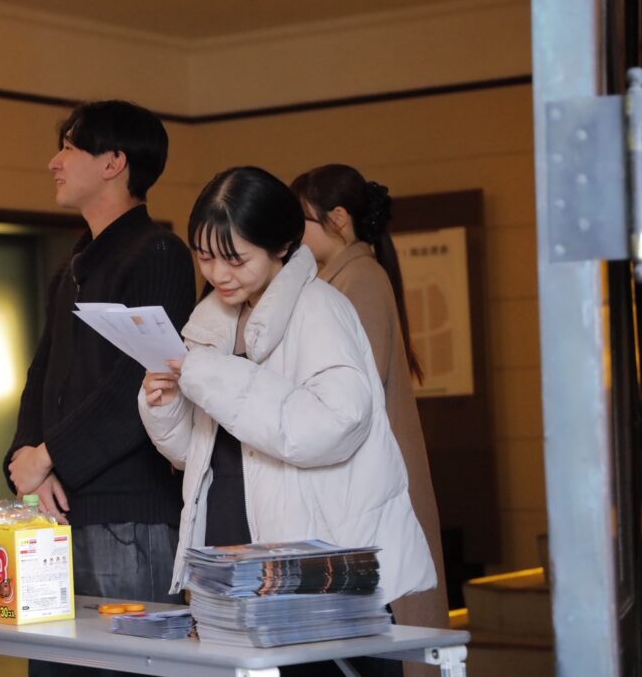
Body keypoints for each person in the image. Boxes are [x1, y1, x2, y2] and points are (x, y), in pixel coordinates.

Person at [140, 166, 435, 677]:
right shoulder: (212, 322)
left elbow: (335, 426)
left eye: (235, 259)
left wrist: (214, 379)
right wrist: (164, 405)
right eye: (205, 257)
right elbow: (198, 454)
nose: (219, 274)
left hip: (313, 571)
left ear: (281, 246)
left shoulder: (319, 309)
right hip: (234, 556)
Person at [4, 100, 196, 676]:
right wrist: (25, 456)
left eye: (69, 147)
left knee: (123, 668)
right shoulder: (75, 265)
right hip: (61, 510)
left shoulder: (158, 251)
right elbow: (42, 374)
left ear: (114, 162)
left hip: (128, 516)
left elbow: (140, 383)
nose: (54, 162)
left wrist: (49, 455)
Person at [290, 164, 449, 677]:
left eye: (302, 221)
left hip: (371, 479)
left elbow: (346, 397)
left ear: (337, 218)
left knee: (382, 633)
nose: (294, 234)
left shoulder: (358, 280)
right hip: (365, 478)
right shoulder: (350, 276)